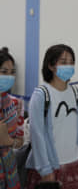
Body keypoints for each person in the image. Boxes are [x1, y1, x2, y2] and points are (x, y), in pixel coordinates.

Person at [26, 44, 78, 189]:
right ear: (51, 66)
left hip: (74, 164)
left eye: (72, 62)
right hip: (49, 167)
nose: (69, 66)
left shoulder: (76, 94)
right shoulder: (41, 95)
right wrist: (45, 169)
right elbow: (37, 135)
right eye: (63, 62)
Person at [0, 47, 24, 189]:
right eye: (4, 72)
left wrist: (8, 141)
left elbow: (20, 141)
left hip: (10, 169)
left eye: (12, 72)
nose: (9, 76)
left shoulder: (16, 104)